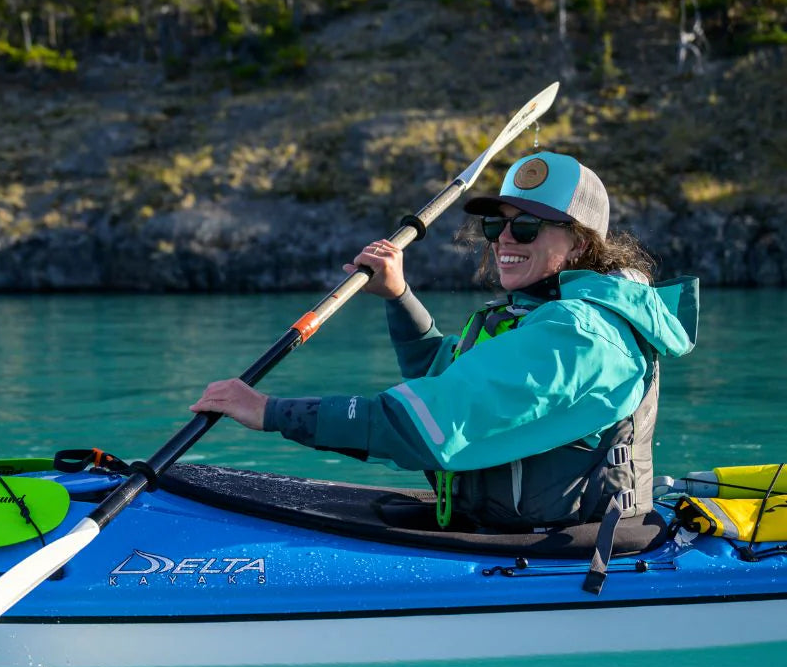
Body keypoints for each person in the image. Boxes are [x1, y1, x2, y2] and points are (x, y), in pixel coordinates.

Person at [191, 150, 699, 591]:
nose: (504, 238)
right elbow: (445, 378)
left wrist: (268, 411)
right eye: (495, 224)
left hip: (566, 547)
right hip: (507, 525)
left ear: (581, 245)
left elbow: (420, 427)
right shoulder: (535, 317)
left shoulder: (578, 334)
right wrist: (398, 297)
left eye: (525, 226)